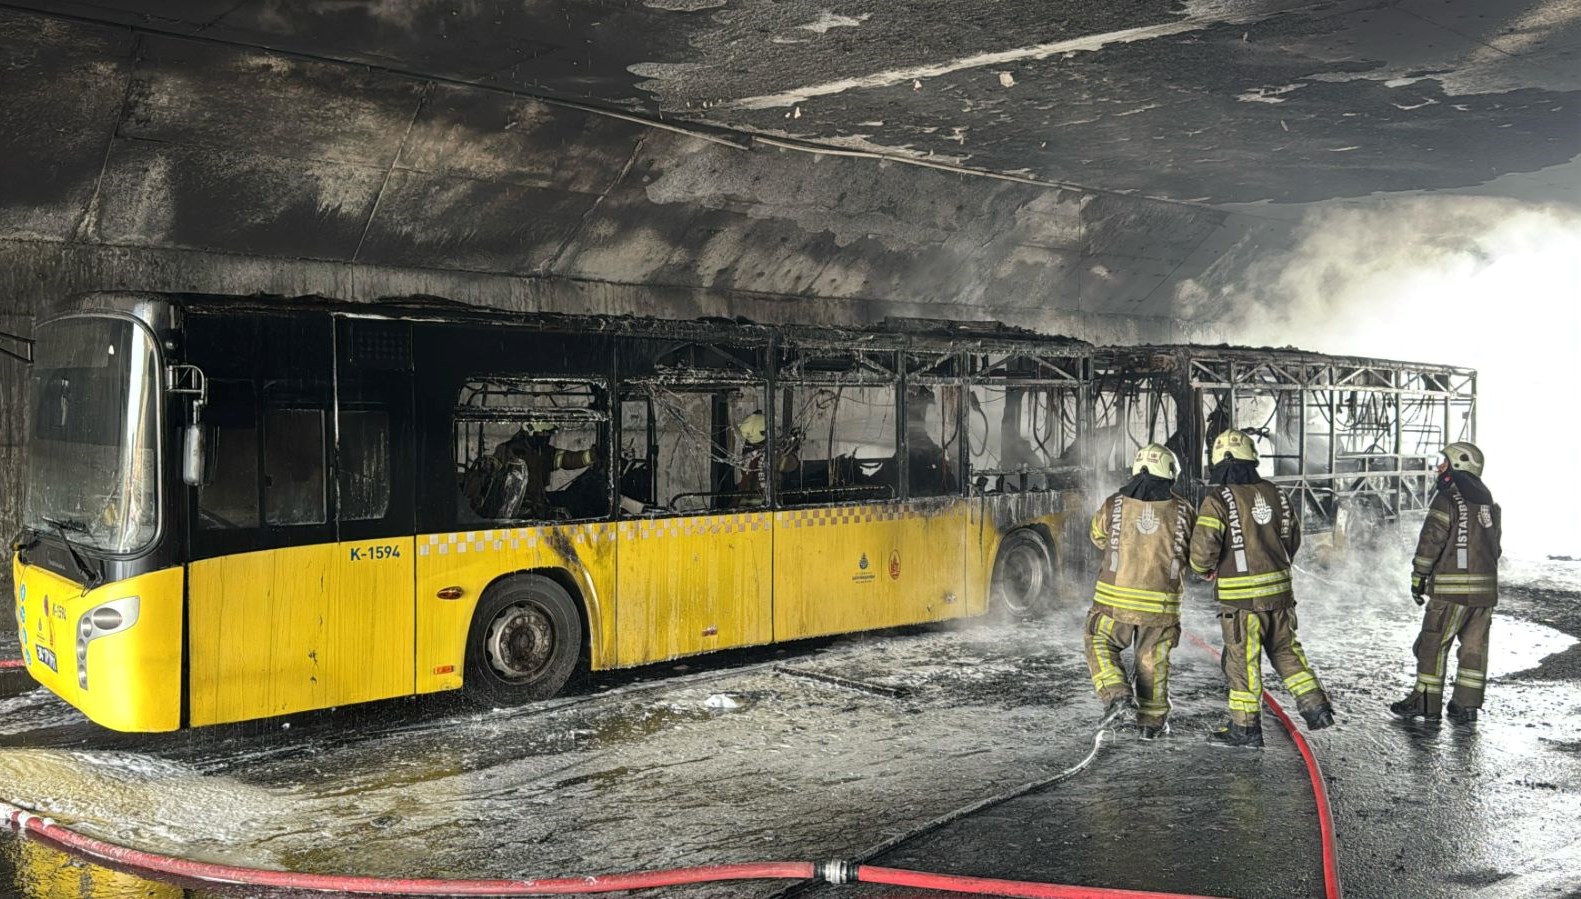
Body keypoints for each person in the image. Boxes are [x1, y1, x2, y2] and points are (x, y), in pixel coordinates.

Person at [1190, 428, 1334, 748]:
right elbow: (1292, 541)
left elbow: (1202, 552)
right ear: (1251, 459)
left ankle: (1245, 729)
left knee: (1242, 662)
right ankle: (1317, 708)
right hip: (1281, 595)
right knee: (1286, 651)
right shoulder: (1278, 494)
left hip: (1242, 602)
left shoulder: (1218, 500)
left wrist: (1205, 570)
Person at [1085, 443, 1196, 739]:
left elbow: (1097, 536)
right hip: (1161, 606)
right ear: (1170, 474)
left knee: (1099, 641)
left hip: (1114, 602)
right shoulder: (1184, 510)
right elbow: (1195, 554)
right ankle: (1151, 726)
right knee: (1153, 661)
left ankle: (1117, 696)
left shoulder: (1114, 504)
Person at [1390, 442, 1501, 724]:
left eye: (1445, 463)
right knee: (1474, 650)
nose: (1440, 468)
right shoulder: (1489, 504)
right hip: (1485, 595)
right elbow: (1494, 549)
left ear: (1458, 467)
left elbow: (1430, 543)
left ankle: (1425, 704)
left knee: (1431, 646)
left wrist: (1418, 579)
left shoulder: (1448, 500)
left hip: (1452, 593)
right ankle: (1466, 706)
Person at [464, 420, 598, 519]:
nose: (547, 438)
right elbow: (495, 488)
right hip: (518, 513)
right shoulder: (507, 451)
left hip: (538, 505)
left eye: (548, 435)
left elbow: (566, 459)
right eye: (543, 434)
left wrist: (590, 456)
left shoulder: (542, 451)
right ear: (530, 431)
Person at [735, 411, 798, 507]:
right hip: (763, 505)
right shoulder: (766, 454)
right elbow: (791, 464)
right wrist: (790, 449)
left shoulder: (750, 452)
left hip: (747, 504)